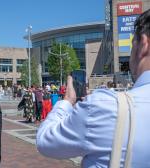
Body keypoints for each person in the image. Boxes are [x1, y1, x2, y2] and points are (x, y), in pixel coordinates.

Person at [36, 9, 150, 167]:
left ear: (144, 44)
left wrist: (67, 101)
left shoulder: (106, 107)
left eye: (132, 46)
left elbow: (45, 142)